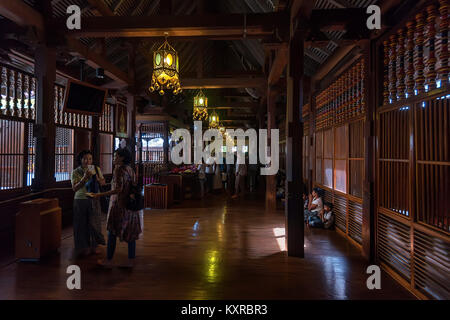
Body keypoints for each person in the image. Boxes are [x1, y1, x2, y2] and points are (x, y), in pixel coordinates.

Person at [89, 148, 142, 268]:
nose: (113, 158)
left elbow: (118, 190)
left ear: (121, 158)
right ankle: (130, 261)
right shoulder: (130, 169)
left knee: (112, 232)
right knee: (130, 233)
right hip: (130, 206)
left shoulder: (119, 170)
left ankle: (109, 260)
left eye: (115, 156)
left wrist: (99, 194)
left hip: (118, 205)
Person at [71, 150, 106, 257]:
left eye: (90, 159)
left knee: (95, 223)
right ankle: (83, 247)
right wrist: (85, 178)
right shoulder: (76, 172)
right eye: (85, 158)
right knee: (81, 224)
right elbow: (75, 188)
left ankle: (95, 246)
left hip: (94, 198)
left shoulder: (96, 169)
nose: (87, 161)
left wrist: (100, 180)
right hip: (80, 199)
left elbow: (103, 182)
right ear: (80, 160)